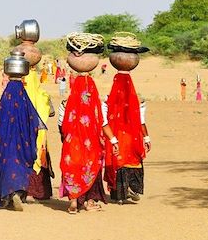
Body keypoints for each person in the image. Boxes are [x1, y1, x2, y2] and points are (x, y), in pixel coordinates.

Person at [58, 73, 116, 214]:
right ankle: (90, 202)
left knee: (73, 169)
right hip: (92, 144)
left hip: (72, 144)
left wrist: (67, 139)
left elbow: (61, 125)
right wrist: (114, 140)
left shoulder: (66, 104)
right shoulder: (97, 105)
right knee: (91, 169)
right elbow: (103, 123)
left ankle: (73, 202)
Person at [0, 76, 42, 211]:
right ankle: (17, 193)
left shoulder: (5, 103)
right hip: (22, 146)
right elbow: (35, 125)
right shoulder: (26, 106)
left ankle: (8, 196)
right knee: (20, 168)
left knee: (4, 168)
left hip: (4, 144)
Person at [105, 73, 151, 203]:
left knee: (119, 161)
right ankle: (132, 188)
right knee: (133, 160)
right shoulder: (138, 101)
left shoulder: (108, 102)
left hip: (116, 136)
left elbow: (104, 122)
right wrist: (146, 138)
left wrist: (110, 139)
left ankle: (119, 194)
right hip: (132, 137)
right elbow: (141, 122)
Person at [24, 64, 55, 200]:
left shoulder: (19, 94)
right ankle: (41, 192)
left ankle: (25, 190)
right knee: (40, 157)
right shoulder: (43, 95)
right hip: (41, 132)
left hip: (24, 132)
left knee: (26, 156)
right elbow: (52, 112)